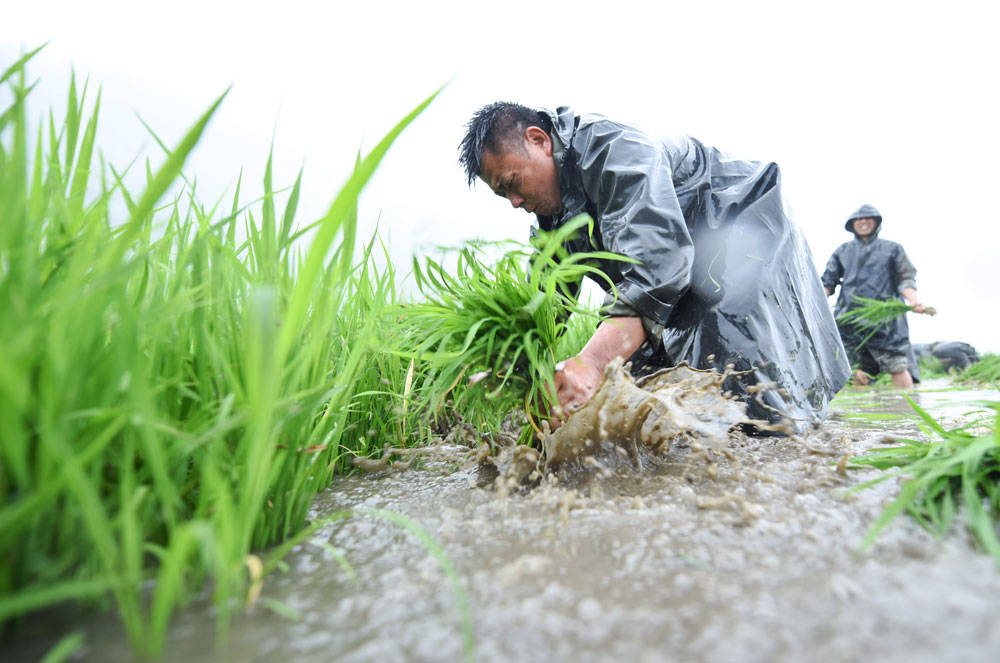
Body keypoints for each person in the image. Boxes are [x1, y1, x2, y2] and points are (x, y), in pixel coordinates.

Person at [458, 102, 850, 429]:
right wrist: (507, 367)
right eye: (501, 194)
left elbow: (656, 268)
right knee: (638, 387)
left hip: (737, 221)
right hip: (683, 267)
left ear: (538, 141)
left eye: (512, 182)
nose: (513, 201)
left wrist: (592, 363)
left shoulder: (613, 149)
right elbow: (545, 303)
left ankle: (784, 461)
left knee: (736, 378)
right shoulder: (552, 218)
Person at [821, 204, 925, 388]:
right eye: (858, 219)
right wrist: (813, 304)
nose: (862, 221)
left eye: (868, 218)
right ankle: (862, 413)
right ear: (852, 224)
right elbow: (828, 282)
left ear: (876, 222)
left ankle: (908, 411)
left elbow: (906, 279)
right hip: (850, 320)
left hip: (885, 322)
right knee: (854, 370)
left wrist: (913, 300)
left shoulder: (893, 249)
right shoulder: (842, 251)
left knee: (897, 366)